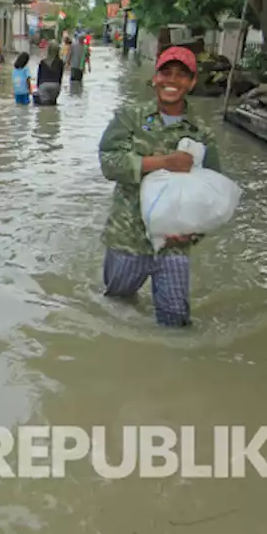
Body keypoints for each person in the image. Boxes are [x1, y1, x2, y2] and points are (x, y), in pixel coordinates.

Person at [96, 46, 221, 327]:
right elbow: (109, 163)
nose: (172, 81)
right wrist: (163, 162)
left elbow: (212, 191)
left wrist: (194, 233)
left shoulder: (201, 133)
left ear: (191, 82)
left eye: (181, 75)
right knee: (116, 308)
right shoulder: (129, 118)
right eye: (166, 73)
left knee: (175, 320)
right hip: (128, 237)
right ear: (155, 78)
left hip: (175, 244)